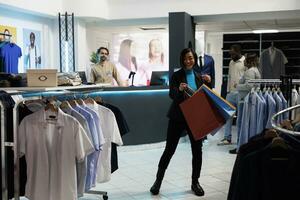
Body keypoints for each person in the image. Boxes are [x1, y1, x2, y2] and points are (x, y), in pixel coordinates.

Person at [150, 48, 210, 197]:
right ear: (182, 60)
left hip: (195, 118)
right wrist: (179, 89)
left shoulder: (198, 76)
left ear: (194, 59)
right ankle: (158, 181)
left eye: (190, 58)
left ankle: (195, 182)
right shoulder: (176, 76)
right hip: (178, 117)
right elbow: (172, 94)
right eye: (185, 58)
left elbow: (203, 97)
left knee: (197, 151)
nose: (188, 61)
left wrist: (208, 82)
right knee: (169, 150)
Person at [218, 44, 245, 146]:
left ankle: (240, 139)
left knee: (240, 118)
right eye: (230, 54)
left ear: (238, 52)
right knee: (228, 116)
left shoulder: (244, 62)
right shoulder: (231, 62)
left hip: (240, 93)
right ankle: (227, 138)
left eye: (233, 54)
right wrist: (228, 91)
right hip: (230, 94)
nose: (231, 56)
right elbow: (229, 77)